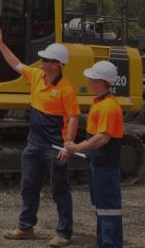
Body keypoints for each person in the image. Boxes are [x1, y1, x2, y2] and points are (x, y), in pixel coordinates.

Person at [0, 25, 80, 247]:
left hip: (55, 148)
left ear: (57, 65)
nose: (41, 61)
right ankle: (25, 227)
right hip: (34, 145)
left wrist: (68, 144)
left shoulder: (66, 89)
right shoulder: (38, 76)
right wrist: (0, 42)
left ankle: (64, 233)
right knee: (28, 186)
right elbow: (15, 63)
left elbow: (73, 118)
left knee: (59, 190)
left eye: (46, 59)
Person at [60, 61, 124, 248]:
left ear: (100, 82)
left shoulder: (108, 107)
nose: (87, 80)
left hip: (105, 165)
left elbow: (103, 137)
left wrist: (77, 148)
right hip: (98, 163)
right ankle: (104, 243)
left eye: (90, 78)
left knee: (108, 210)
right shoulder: (101, 103)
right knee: (102, 209)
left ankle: (110, 244)